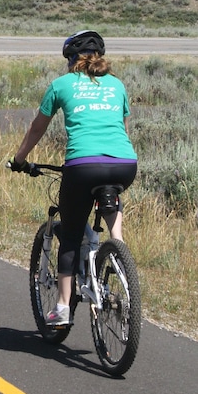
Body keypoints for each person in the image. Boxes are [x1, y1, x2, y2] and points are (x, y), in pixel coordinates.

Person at [8, 30, 137, 327]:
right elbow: (124, 128)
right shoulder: (117, 85)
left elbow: (37, 128)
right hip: (124, 163)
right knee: (111, 202)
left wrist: (19, 160)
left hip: (82, 166)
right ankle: (118, 251)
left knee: (70, 234)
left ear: (70, 59)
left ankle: (63, 307)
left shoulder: (61, 84)